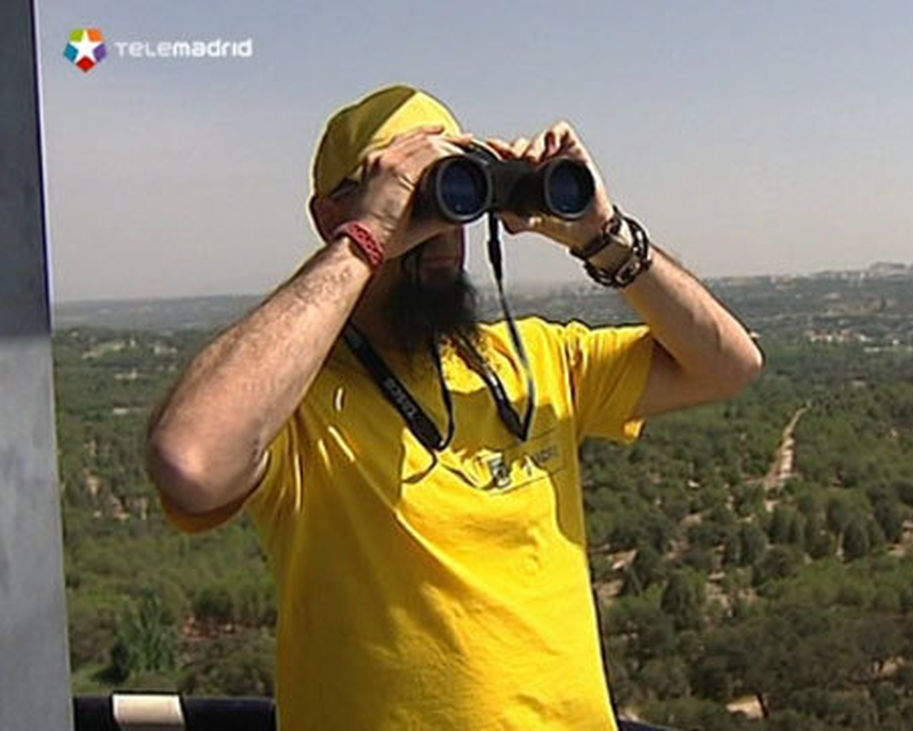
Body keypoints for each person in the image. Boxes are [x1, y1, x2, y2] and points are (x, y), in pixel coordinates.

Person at [146, 84, 762, 730]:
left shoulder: (536, 358)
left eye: (454, 190)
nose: (440, 229)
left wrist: (601, 234)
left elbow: (729, 364)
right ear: (329, 215)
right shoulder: (296, 405)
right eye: (414, 189)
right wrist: (366, 238)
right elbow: (190, 459)